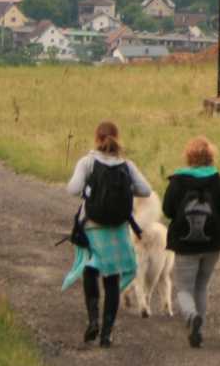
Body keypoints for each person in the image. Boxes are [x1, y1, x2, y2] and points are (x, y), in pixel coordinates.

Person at [63, 119, 153, 347]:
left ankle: (92, 319)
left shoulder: (88, 162)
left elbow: (72, 189)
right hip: (118, 229)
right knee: (112, 280)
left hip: (93, 227)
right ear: (117, 139)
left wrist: (90, 192)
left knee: (90, 271)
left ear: (96, 138)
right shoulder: (126, 165)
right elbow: (145, 190)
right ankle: (107, 333)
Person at [161, 136, 220, 348]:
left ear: (188, 155)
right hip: (212, 243)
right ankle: (199, 327)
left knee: (184, 288)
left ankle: (190, 316)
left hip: (185, 244)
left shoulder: (178, 181)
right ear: (210, 155)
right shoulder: (218, 181)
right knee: (201, 285)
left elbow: (167, 210)